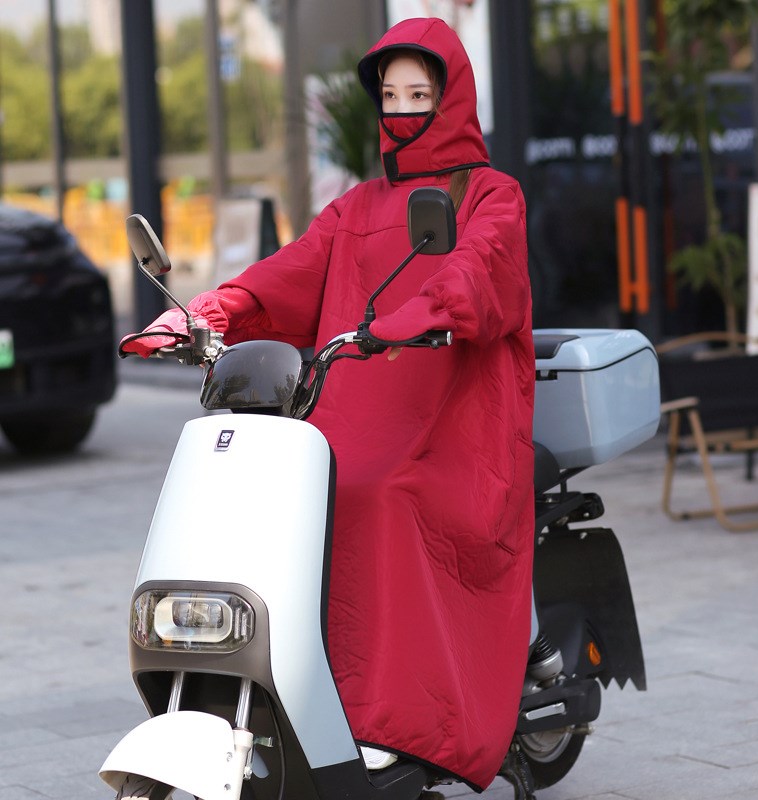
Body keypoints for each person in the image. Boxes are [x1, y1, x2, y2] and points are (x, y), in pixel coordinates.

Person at [123, 16, 535, 792]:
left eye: (421, 93)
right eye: (391, 94)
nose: (405, 108)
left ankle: (387, 722)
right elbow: (291, 271)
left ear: (453, 97)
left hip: (454, 419)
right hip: (351, 409)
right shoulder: (354, 208)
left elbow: (483, 272)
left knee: (376, 496)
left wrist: (424, 312)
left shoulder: (490, 193)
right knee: (297, 494)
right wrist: (205, 312)